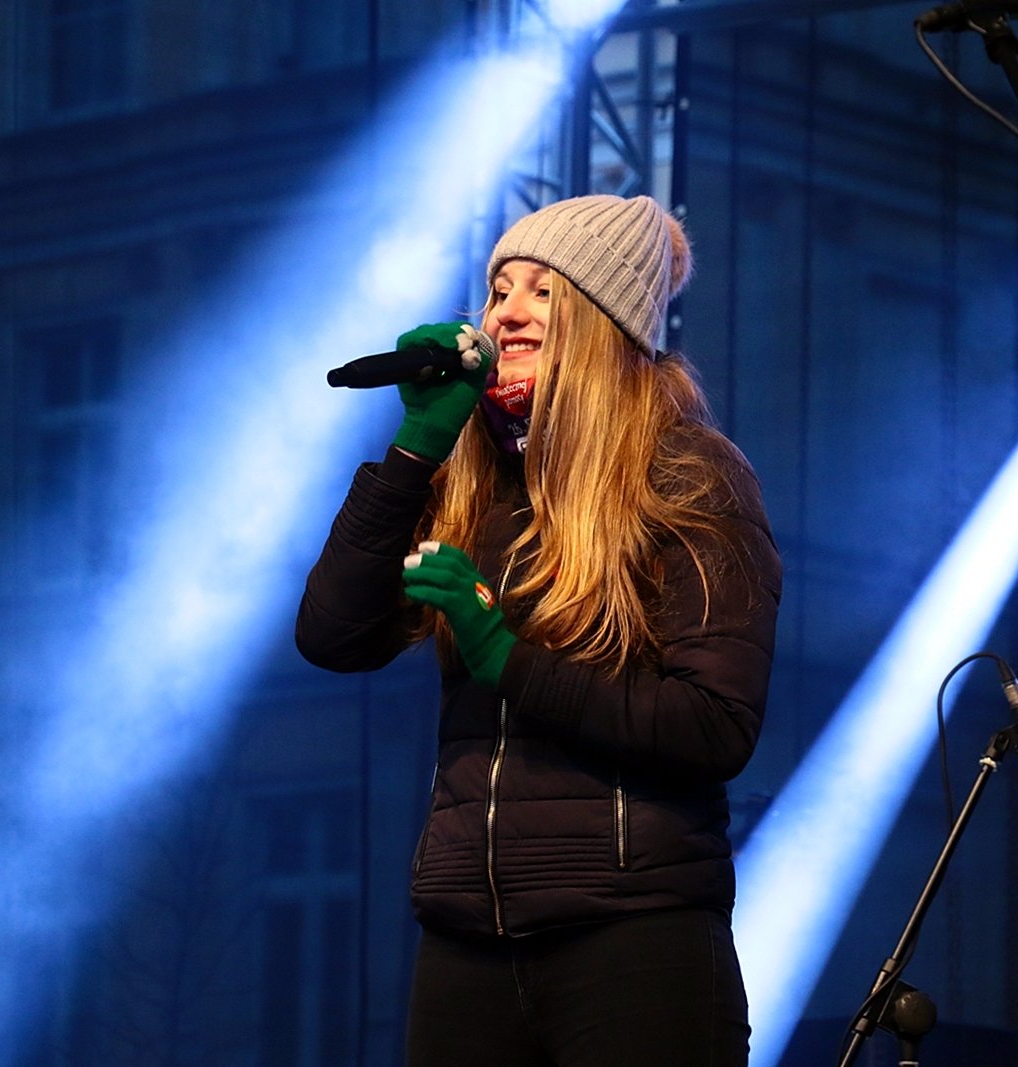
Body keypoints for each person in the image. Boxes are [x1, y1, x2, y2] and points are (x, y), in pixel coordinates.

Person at [297, 194, 782, 1067]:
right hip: (465, 938)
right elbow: (332, 635)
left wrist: (502, 654)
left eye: (544, 291)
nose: (506, 313)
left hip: (632, 936)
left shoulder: (687, 473)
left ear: (605, 321)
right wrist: (416, 445)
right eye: (498, 290)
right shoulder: (472, 480)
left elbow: (714, 725)